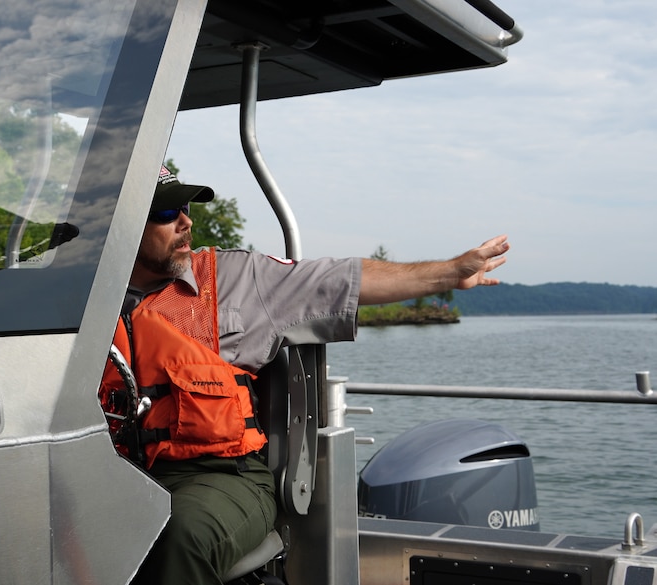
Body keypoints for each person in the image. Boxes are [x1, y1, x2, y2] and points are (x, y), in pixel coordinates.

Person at [99, 166, 510, 585]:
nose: (186, 221)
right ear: (127, 222)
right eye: (168, 211)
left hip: (220, 476)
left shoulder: (238, 279)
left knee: (180, 535)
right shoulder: (83, 301)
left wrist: (449, 272)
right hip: (105, 472)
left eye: (186, 207)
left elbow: (336, 281)